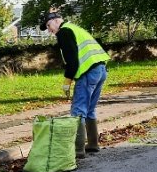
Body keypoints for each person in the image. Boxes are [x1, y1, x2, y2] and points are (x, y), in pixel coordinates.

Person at [40, 9, 110, 159]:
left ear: (57, 20)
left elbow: (72, 61)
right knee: (89, 109)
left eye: (48, 25)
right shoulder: (75, 28)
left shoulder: (64, 32)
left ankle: (78, 151)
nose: (49, 30)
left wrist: (67, 81)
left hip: (88, 73)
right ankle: (92, 144)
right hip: (101, 70)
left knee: (78, 111)